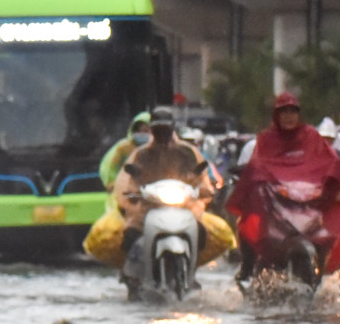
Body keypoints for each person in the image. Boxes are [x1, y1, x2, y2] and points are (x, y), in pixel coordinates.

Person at [84, 108, 235, 271]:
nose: (162, 134)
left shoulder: (187, 151)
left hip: (184, 206)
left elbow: (200, 174)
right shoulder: (141, 154)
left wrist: (205, 189)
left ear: (172, 129)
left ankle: (192, 269)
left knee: (202, 233)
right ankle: (133, 273)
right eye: (158, 130)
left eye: (166, 130)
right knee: (130, 235)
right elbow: (129, 178)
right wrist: (131, 194)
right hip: (148, 207)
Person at [224, 92, 340, 279]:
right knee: (249, 219)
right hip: (275, 203)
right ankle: (247, 266)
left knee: (329, 230)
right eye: (283, 112)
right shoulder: (266, 140)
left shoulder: (311, 137)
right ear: (276, 116)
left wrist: (335, 183)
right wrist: (253, 181)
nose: (288, 117)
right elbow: (258, 166)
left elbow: (330, 161)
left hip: (308, 202)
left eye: (293, 112)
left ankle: (328, 270)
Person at [99, 111, 153, 189]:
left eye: (148, 131)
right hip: (125, 188)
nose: (143, 134)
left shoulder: (161, 148)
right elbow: (109, 167)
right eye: (141, 131)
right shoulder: (124, 147)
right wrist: (112, 183)